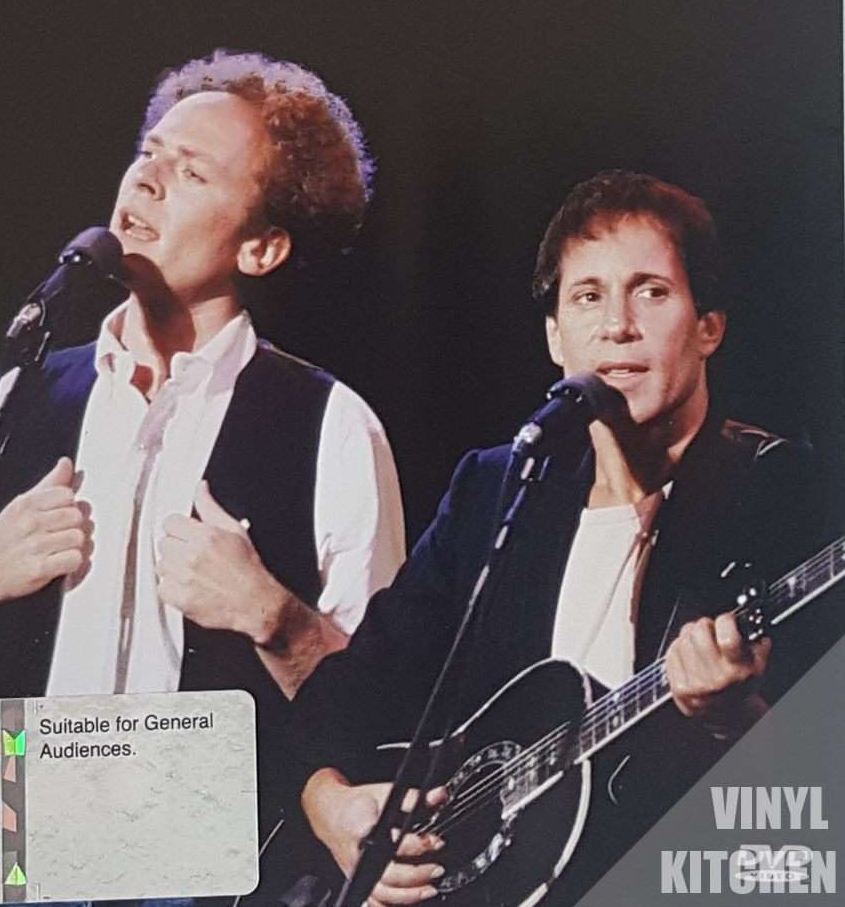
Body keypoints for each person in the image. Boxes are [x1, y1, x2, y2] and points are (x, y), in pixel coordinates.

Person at [0, 49, 404, 840]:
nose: (145, 181)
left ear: (260, 247)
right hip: (18, 855)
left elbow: (386, 716)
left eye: (191, 173)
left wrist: (275, 615)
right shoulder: (16, 401)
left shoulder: (333, 426)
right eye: (148, 153)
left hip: (229, 874)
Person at [294, 171, 837, 907]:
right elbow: (357, 686)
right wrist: (328, 802)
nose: (617, 325)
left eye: (651, 291)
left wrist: (735, 723)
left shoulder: (785, 493)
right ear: (555, 336)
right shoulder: (499, 488)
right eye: (587, 297)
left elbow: (815, 811)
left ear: (709, 325)